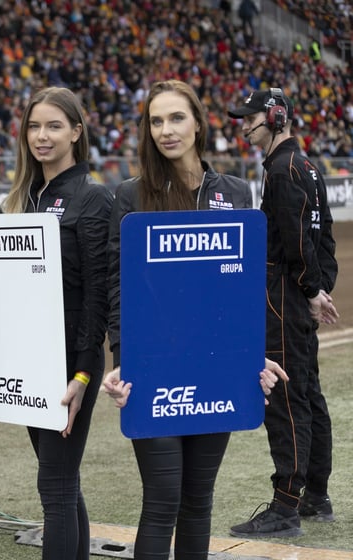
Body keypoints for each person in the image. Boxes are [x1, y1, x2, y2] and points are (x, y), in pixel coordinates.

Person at [101, 80, 287, 559]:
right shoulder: (130, 195)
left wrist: (253, 359)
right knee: (162, 498)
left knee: (198, 501)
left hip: (217, 369)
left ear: (199, 123)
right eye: (156, 121)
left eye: (176, 118)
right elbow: (120, 289)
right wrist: (123, 362)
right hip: (154, 368)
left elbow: (243, 289)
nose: (166, 130)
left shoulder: (233, 191)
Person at [2, 87, 113, 559]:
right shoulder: (22, 199)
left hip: (70, 364)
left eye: (53, 126)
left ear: (75, 132)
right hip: (29, 362)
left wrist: (84, 374)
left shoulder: (93, 198)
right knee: (61, 482)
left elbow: (97, 297)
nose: (41, 136)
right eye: (33, 126)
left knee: (55, 485)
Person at [226, 88, 339, 538]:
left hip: (281, 297)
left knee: (288, 400)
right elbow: (323, 236)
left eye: (249, 119)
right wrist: (319, 285)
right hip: (295, 295)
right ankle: (315, 495)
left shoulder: (281, 169)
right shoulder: (307, 166)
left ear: (274, 117)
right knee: (309, 394)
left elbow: (295, 242)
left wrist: (311, 290)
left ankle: (286, 506)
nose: (243, 127)